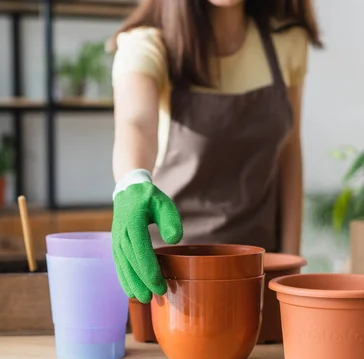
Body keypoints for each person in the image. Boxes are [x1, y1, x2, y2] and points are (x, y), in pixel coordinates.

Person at [109, 0, 322, 303]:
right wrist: (131, 182)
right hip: (170, 281)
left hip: (256, 276)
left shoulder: (287, 41)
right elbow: (137, 123)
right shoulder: (148, 43)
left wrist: (288, 267)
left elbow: (289, 152)